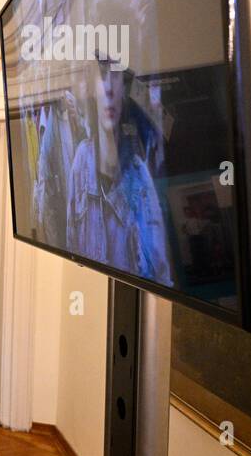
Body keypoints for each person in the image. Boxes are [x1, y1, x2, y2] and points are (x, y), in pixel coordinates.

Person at [66, 57, 172, 285]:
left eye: (115, 76)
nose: (108, 89)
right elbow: (71, 247)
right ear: (91, 89)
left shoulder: (139, 177)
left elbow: (161, 279)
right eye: (101, 76)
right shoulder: (80, 163)